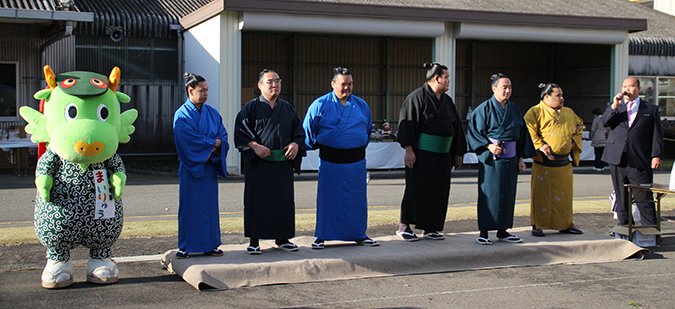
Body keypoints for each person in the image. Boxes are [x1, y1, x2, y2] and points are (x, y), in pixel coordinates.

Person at [303, 67, 378, 249]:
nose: (347, 88)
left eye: (350, 84)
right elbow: (308, 132)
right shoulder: (319, 105)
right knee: (328, 201)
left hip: (356, 163)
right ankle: (322, 236)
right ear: (333, 84)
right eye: (343, 84)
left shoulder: (361, 105)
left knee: (357, 201)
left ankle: (359, 234)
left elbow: (367, 131)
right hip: (331, 163)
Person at [234, 69, 305, 255]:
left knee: (283, 201)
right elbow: (240, 133)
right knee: (257, 201)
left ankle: (282, 238)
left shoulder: (288, 108)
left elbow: (299, 132)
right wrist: (254, 146)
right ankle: (254, 241)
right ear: (260, 86)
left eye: (278, 81)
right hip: (259, 164)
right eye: (270, 82)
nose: (275, 85)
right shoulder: (250, 108)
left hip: (282, 164)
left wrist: (295, 144)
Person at [396, 62, 467, 241]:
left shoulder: (448, 101)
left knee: (439, 191)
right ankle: (405, 226)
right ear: (437, 78)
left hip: (443, 155)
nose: (449, 81)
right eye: (447, 77)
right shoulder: (416, 97)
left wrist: (458, 152)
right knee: (415, 189)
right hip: (421, 154)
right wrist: (409, 149)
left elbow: (456, 127)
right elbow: (408, 123)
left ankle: (431, 227)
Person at [467, 73, 536, 245]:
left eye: (510, 87)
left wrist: (521, 158)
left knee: (508, 194)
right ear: (494, 89)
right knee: (489, 195)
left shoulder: (514, 109)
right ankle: (484, 231)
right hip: (491, 159)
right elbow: (474, 132)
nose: (507, 90)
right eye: (504, 87)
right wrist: (488, 146)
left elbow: (521, 135)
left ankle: (503, 230)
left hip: (511, 158)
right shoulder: (483, 109)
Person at [173, 73, 229, 259]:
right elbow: (187, 140)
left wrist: (210, 144)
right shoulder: (181, 115)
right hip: (191, 168)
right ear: (190, 91)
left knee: (210, 207)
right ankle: (186, 246)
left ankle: (211, 245)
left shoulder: (212, 113)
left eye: (207, 90)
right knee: (189, 207)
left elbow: (223, 137)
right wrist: (212, 144)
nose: (205, 94)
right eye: (201, 90)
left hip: (209, 168)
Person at [524, 83, 584, 237]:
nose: (562, 98)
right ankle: (537, 224)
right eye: (558, 95)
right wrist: (539, 145)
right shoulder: (535, 111)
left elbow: (579, 125)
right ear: (547, 97)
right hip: (544, 163)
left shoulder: (569, 112)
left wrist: (573, 142)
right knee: (541, 196)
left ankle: (565, 224)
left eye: (562, 95)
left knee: (564, 196)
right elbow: (527, 129)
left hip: (563, 164)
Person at [602, 77, 663, 227]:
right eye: (625, 86)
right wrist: (614, 107)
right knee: (621, 197)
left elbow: (657, 135)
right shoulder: (615, 107)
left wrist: (656, 155)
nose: (627, 89)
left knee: (643, 196)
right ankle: (625, 228)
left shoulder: (650, 109)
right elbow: (604, 122)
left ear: (639, 89)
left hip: (639, 159)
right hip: (618, 158)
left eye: (631, 86)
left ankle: (650, 230)